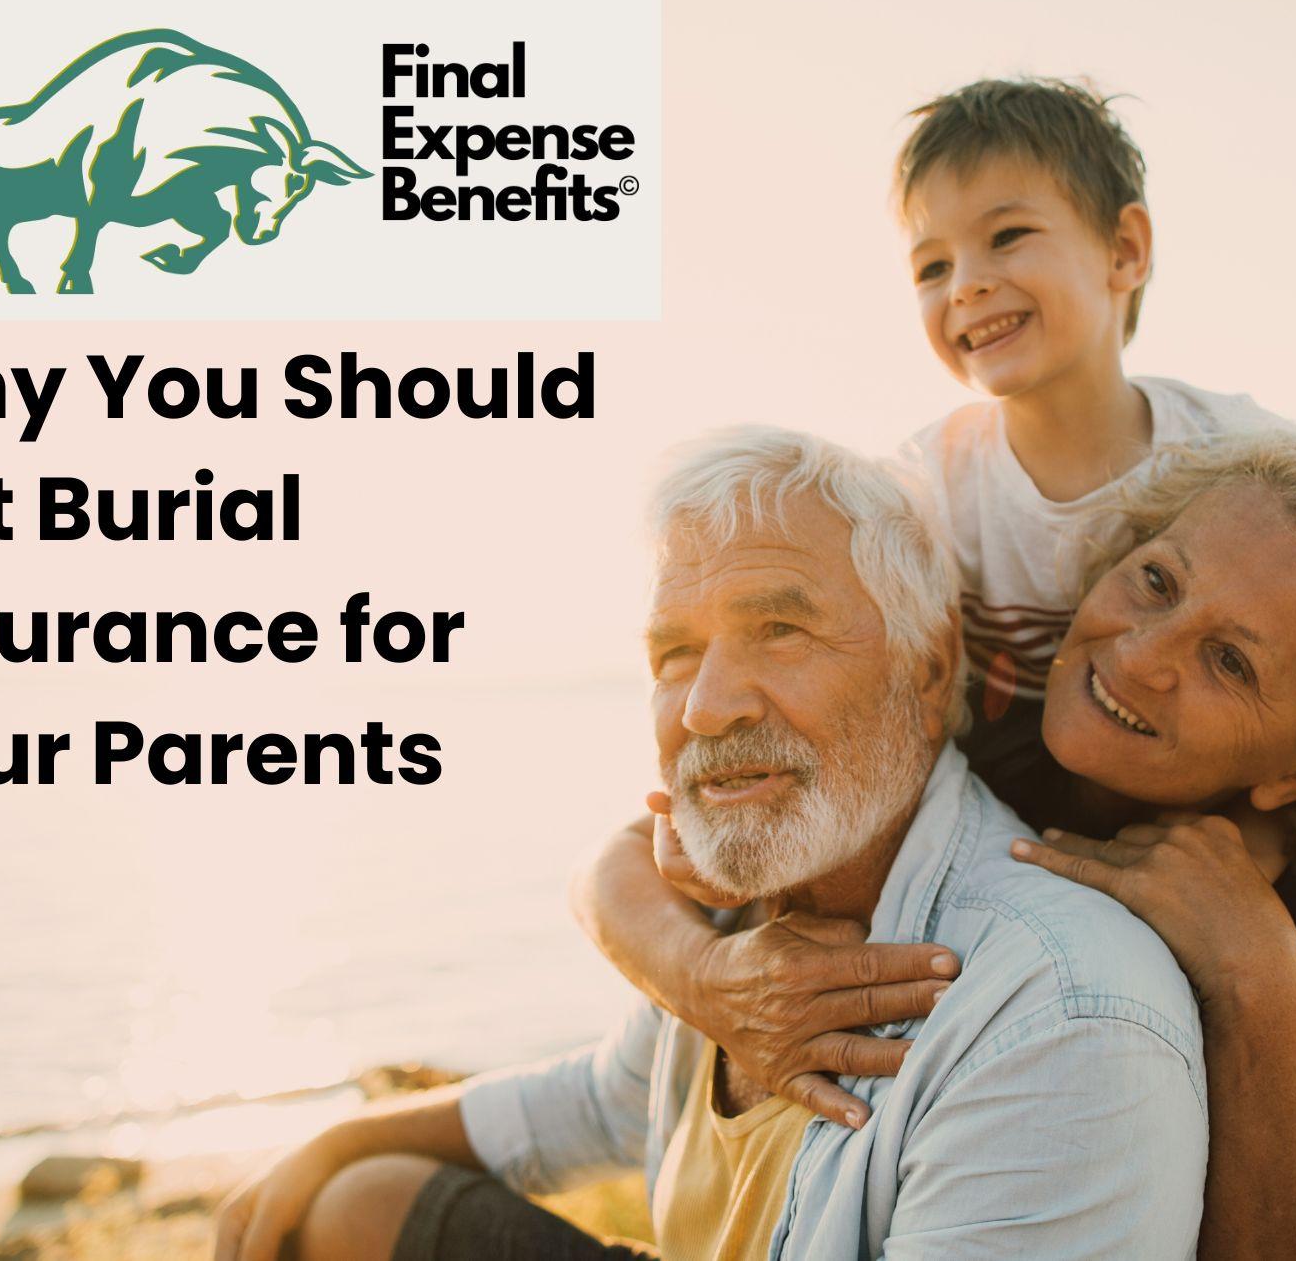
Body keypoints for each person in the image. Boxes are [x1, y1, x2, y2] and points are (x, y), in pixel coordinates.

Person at [578, 78, 1296, 1259]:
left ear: (1126, 252)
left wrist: (1260, 950)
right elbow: (630, 862)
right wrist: (704, 971)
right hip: (1033, 777)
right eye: (931, 266)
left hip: (1269, 838)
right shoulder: (928, 487)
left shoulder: (1248, 462)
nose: (969, 285)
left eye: (1006, 239)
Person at [213, 428, 1211, 1261]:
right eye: (675, 652)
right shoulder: (743, 910)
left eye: (779, 629)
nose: (706, 706)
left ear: (926, 663)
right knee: (353, 1204)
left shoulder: (1058, 1012)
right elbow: (605, 1101)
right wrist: (332, 1136)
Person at [580, 431, 1296, 1261]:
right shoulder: (1003, 732)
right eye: (1156, 581)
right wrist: (703, 976)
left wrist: (1256, 979)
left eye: (1229, 662)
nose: (1141, 654)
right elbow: (612, 865)